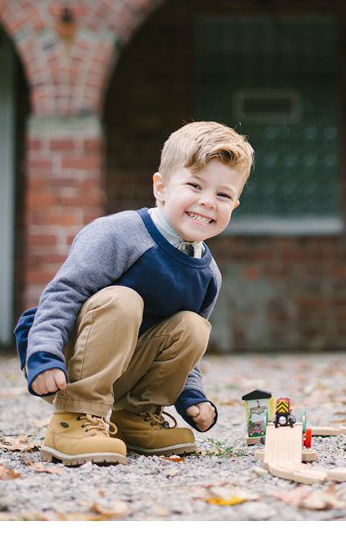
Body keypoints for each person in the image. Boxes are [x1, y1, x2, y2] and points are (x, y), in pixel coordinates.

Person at [14, 121, 253, 465]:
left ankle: (136, 417)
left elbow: (186, 353)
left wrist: (192, 396)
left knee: (192, 326)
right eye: (194, 185)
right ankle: (74, 419)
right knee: (124, 300)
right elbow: (64, 293)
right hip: (65, 363)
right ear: (161, 187)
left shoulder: (208, 273)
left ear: (235, 205)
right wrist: (44, 353)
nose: (207, 202)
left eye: (223, 195)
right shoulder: (119, 233)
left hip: (124, 367)